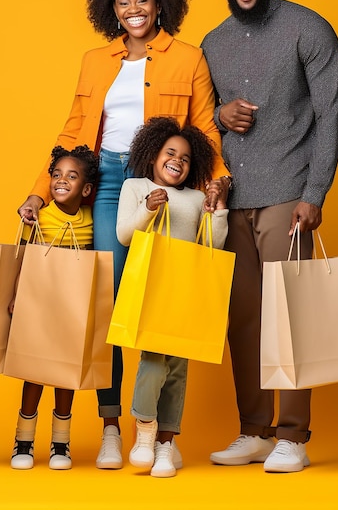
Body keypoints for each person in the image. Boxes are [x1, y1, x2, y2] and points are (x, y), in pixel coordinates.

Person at [17, 0, 230, 470]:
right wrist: (38, 192)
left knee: (162, 305)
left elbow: (204, 128)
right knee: (111, 307)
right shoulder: (95, 60)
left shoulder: (188, 57)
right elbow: (71, 134)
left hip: (164, 184)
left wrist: (217, 180)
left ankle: (156, 432)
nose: (134, 10)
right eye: (123, 2)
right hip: (108, 182)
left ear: (160, 5)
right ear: (111, 9)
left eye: (143, 1)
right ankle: (111, 426)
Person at [201, 0, 338, 472]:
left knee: (292, 314)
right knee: (243, 320)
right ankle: (254, 430)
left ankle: (293, 435)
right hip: (232, 199)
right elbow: (202, 114)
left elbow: (332, 115)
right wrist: (219, 116)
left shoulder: (308, 28)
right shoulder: (212, 42)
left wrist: (316, 192)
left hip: (289, 190)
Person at [116, 116, 229, 477]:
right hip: (153, 284)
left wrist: (219, 211)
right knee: (153, 357)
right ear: (153, 155)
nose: (177, 160)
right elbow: (123, 235)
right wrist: (147, 209)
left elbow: (211, 244)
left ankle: (166, 443)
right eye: (170, 152)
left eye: (185, 157)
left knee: (179, 367)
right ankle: (146, 431)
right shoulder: (136, 186)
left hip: (186, 288)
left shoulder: (197, 198)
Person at [9, 145, 99, 470]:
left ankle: (61, 444)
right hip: (38, 304)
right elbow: (22, 257)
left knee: (65, 370)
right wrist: (16, 294)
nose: (61, 181)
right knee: (34, 371)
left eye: (71, 177)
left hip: (71, 309)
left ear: (86, 189)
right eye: (57, 175)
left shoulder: (91, 220)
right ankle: (24, 441)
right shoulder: (39, 217)